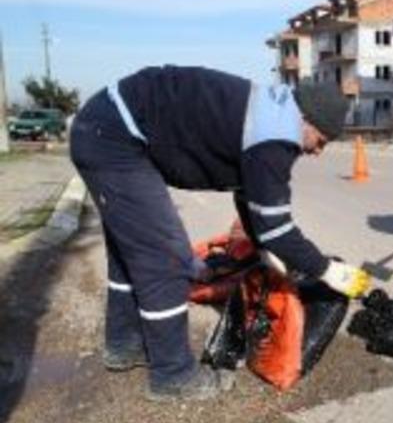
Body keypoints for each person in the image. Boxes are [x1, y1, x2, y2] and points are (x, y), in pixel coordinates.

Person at [69, 66, 371, 401]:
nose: (317, 151)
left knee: (132, 251)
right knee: (165, 257)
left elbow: (249, 197)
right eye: (321, 141)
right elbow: (278, 228)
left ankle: (124, 345)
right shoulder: (277, 135)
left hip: (105, 126)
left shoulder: (271, 113)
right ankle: (173, 376)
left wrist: (261, 249)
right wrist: (327, 270)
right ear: (308, 121)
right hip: (116, 138)